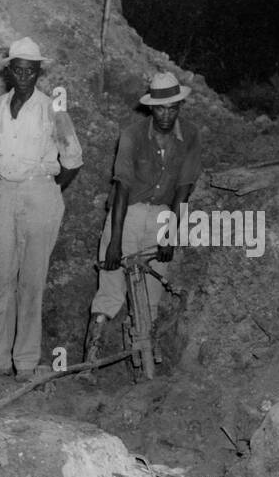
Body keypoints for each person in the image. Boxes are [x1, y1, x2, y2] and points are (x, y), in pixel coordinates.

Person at [0, 38, 83, 380]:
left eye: (32, 69)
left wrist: (47, 190)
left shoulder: (52, 109)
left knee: (31, 282)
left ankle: (26, 362)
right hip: (7, 194)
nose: (25, 75)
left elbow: (73, 159)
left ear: (38, 72)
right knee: (0, 278)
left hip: (41, 194)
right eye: (19, 69)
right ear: (10, 71)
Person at [82, 72, 202, 369]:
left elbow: (184, 189)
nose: (167, 115)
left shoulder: (190, 135)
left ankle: (143, 364)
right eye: (161, 108)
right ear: (151, 107)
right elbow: (122, 189)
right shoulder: (132, 135)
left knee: (151, 296)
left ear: (179, 106)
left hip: (163, 214)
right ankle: (90, 362)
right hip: (129, 212)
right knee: (110, 290)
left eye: (173, 108)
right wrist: (114, 243)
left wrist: (170, 235)